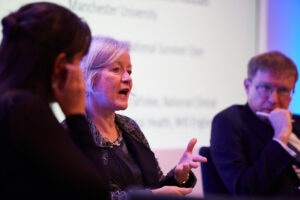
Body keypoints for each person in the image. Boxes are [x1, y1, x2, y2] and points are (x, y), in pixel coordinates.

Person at [72, 35, 207, 199]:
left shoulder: (130, 127)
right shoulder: (70, 134)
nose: (127, 78)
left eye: (129, 71)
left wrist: (179, 177)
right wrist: (147, 196)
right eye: (116, 69)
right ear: (87, 76)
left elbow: (156, 188)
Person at [0, 2, 109, 198]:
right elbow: (96, 193)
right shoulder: (24, 107)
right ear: (60, 64)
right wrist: (76, 115)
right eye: (79, 60)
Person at [210, 51, 300, 197]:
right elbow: (245, 191)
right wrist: (280, 136)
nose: (273, 99)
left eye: (283, 90)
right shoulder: (229, 122)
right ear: (247, 86)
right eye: (265, 88)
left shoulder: (297, 122)